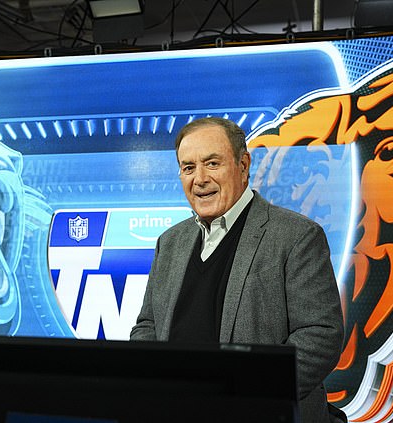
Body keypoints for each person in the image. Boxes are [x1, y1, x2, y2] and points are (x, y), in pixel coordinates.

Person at [130, 117, 344, 423]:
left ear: (243, 165)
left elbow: (321, 336)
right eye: (188, 167)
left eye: (212, 163)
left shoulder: (296, 236)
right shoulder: (170, 242)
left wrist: (248, 396)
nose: (199, 178)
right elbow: (148, 327)